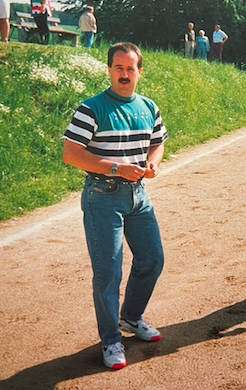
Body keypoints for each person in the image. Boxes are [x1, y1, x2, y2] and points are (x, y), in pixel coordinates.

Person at [62, 42, 168, 370]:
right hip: (102, 196)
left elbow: (158, 143)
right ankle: (110, 340)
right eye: (118, 68)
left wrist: (153, 163)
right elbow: (71, 154)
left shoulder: (148, 106)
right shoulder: (91, 108)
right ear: (109, 70)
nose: (124, 74)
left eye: (130, 69)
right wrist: (115, 168)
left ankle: (131, 318)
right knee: (109, 272)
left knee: (152, 259)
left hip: (139, 196)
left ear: (139, 72)